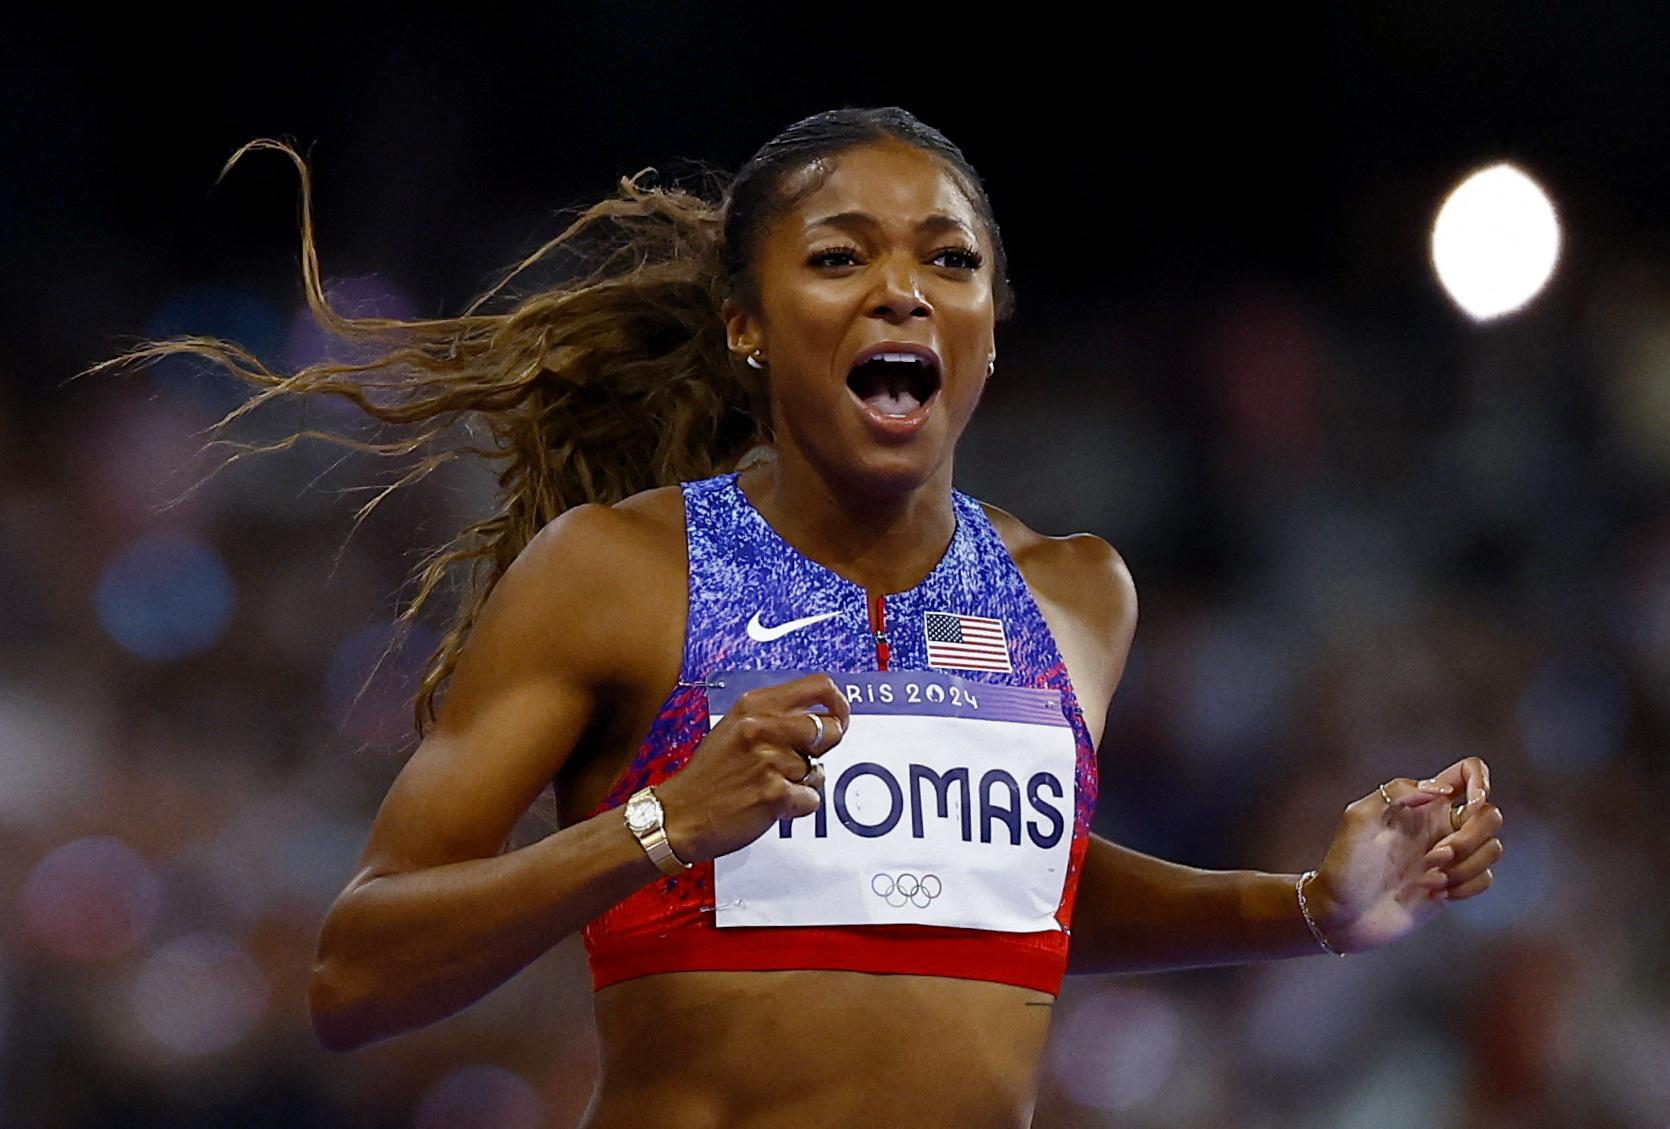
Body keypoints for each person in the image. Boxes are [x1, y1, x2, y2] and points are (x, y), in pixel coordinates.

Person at [91, 106, 1505, 1128]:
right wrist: (658, 826)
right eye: (837, 256)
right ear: (744, 325)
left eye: (947, 261)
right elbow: (354, 972)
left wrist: (1313, 910)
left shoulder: (1075, 594)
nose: (901, 285)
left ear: (990, 324)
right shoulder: (617, 572)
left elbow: (1014, 895)